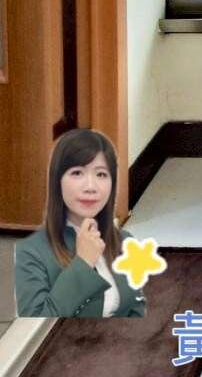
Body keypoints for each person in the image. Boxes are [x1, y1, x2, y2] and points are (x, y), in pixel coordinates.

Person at [14, 128, 147, 318]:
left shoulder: (126, 241)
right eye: (77, 173)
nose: (90, 187)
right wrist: (83, 262)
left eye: (101, 174)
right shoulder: (32, 252)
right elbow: (36, 325)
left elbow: (137, 309)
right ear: (57, 181)